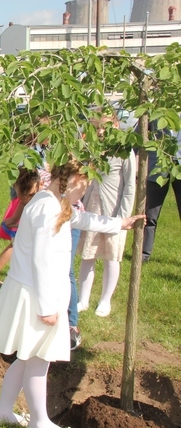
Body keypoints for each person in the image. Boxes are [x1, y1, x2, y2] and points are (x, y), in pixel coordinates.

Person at [0, 158, 144, 428]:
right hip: (37, 296)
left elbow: (82, 218)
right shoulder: (47, 208)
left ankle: (3, 411)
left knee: (26, 358)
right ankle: (39, 423)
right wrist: (47, 308)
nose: (86, 190)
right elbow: (42, 260)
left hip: (34, 292)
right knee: (38, 359)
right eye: (85, 185)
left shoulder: (54, 202)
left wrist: (120, 223)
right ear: (73, 180)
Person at [77, 114, 136, 317]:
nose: (101, 132)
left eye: (105, 127)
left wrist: (123, 215)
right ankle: (83, 298)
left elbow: (129, 185)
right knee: (88, 254)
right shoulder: (92, 148)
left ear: (116, 125)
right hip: (92, 208)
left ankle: (105, 300)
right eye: (97, 128)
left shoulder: (124, 151)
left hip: (113, 211)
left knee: (111, 256)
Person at [0, 167, 43, 287]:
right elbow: (24, 202)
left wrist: (18, 223)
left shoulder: (46, 193)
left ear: (40, 185)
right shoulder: (29, 189)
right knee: (17, 243)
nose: (27, 201)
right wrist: (14, 219)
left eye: (30, 196)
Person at [142, 121, 181, 262]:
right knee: (150, 215)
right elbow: (138, 134)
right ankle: (144, 255)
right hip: (158, 168)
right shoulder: (156, 111)